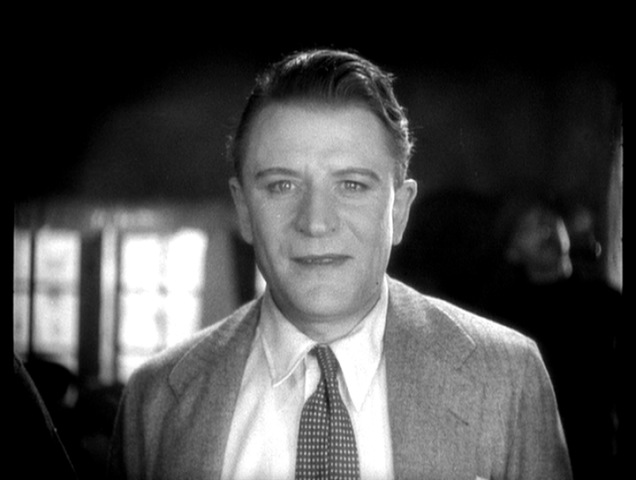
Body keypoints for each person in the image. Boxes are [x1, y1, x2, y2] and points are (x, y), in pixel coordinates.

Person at [108, 49, 572, 479]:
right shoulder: (154, 399)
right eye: (282, 186)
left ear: (399, 211)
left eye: (351, 185)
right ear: (244, 209)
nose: (315, 222)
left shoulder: (508, 378)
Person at [481, 194, 621, 479]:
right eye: (529, 226)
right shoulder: (502, 316)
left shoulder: (606, 302)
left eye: (548, 219)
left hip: (600, 454)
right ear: (512, 250)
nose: (545, 230)